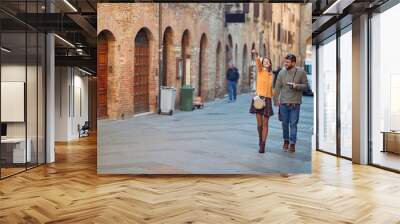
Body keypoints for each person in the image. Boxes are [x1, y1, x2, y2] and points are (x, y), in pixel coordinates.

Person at [273, 54, 308, 153]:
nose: (285, 64)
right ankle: (286, 141)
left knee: (293, 124)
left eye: (288, 62)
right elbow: (277, 87)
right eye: (285, 62)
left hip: (295, 104)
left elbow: (305, 86)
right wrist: (275, 100)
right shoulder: (281, 73)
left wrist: (296, 86)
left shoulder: (301, 73)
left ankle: (292, 143)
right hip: (283, 103)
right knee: (284, 124)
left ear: (293, 63)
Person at [249, 49, 274, 153]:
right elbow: (258, 62)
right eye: (265, 62)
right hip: (259, 99)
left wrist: (275, 99)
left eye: (268, 61)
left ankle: (263, 144)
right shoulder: (260, 71)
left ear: (270, 64)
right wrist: (256, 54)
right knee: (259, 124)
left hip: (267, 100)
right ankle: (260, 139)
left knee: (265, 124)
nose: (266, 63)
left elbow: (272, 89)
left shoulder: (272, 75)